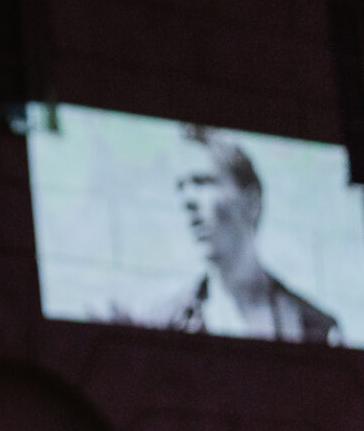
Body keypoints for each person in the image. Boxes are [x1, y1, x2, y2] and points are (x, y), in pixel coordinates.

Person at [133, 126, 340, 344]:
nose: (187, 200)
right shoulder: (163, 322)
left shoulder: (319, 330)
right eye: (181, 186)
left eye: (202, 181)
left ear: (251, 202)